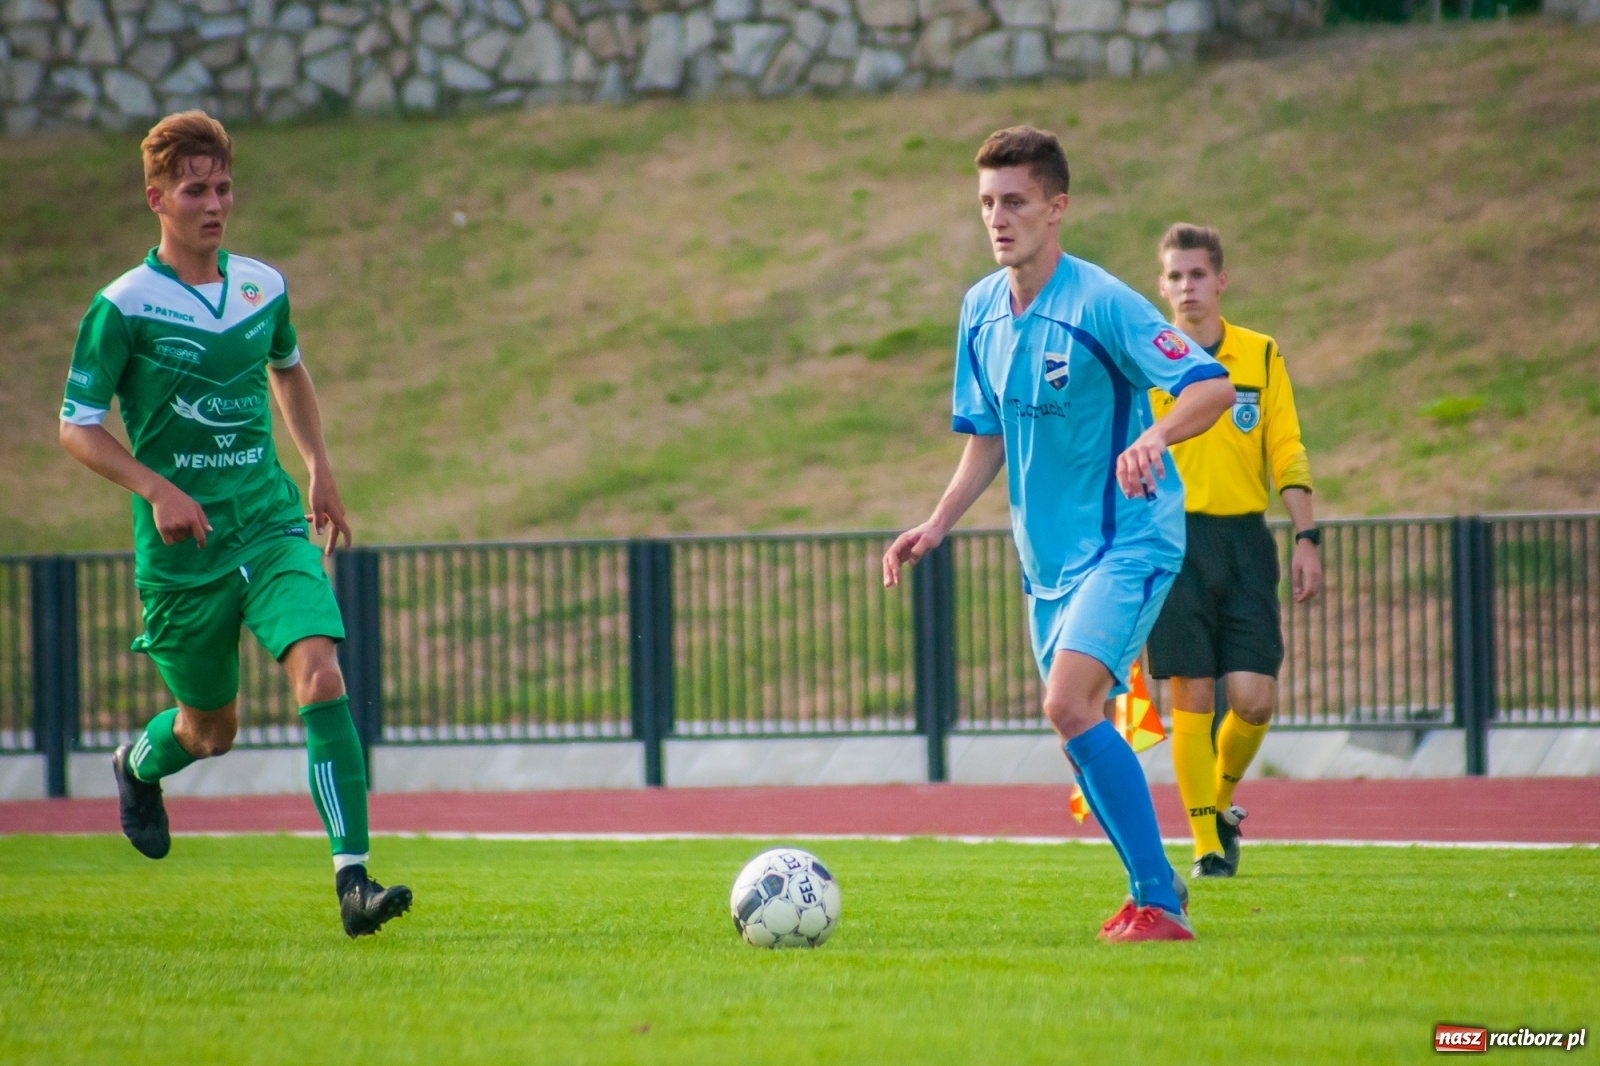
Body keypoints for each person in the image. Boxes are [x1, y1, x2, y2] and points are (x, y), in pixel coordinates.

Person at [57, 111, 411, 938]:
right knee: (209, 730)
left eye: (222, 187)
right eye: (195, 190)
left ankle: (353, 882)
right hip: (184, 555)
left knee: (320, 672)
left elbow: (287, 368)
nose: (214, 203)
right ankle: (139, 764)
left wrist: (319, 466)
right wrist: (155, 489)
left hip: (268, 521)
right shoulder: (123, 306)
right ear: (158, 198)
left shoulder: (262, 286)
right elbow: (75, 426)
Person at [883, 127, 1235, 943]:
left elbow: (1208, 385)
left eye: (1014, 202)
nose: (998, 219)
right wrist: (935, 524)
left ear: (1057, 207)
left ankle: (1158, 901)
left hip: (1130, 540)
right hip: (1046, 565)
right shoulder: (979, 308)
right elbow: (990, 436)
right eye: (986, 204)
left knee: (1066, 702)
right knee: (1073, 720)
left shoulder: (1102, 301)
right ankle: (1154, 890)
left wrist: (1154, 438)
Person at [1146, 223, 1323, 879]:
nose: (1187, 287)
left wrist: (1307, 535)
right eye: (1175, 276)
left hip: (1246, 540)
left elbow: (1286, 446)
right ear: (1161, 287)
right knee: (1191, 691)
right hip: (1172, 540)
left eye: (1197, 274)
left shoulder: (1260, 353)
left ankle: (1219, 804)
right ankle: (1205, 848)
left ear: (1221, 280)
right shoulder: (1148, 359)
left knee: (1253, 698)